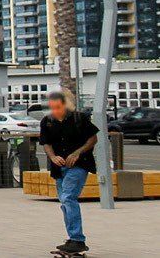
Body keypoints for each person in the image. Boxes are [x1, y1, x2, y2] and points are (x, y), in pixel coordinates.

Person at [40, 90, 99, 256]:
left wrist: (77, 152)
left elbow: (93, 139)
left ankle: (77, 239)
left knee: (68, 197)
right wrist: (52, 157)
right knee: (64, 202)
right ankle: (73, 239)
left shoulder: (79, 119)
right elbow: (46, 143)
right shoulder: (47, 121)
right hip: (59, 167)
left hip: (79, 164)